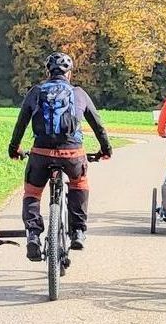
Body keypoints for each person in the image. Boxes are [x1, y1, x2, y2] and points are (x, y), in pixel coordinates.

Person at [8, 53, 112, 260]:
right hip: (72, 154)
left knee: (33, 192)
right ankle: (78, 232)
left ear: (48, 72)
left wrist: (14, 149)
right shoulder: (78, 93)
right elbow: (97, 124)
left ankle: (33, 235)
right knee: (79, 184)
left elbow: (21, 124)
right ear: (69, 73)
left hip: (41, 154)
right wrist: (105, 149)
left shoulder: (36, 92)